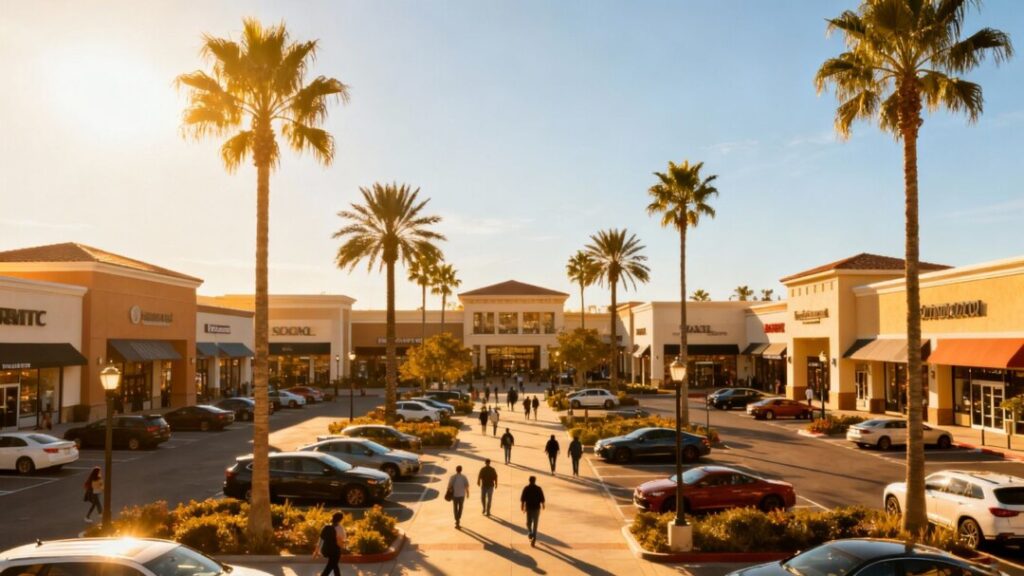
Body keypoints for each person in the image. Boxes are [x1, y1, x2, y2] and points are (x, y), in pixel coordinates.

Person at [312, 512, 346, 576]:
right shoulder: (340, 528)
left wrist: (316, 551)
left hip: (326, 550)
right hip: (335, 551)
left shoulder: (326, 527)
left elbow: (320, 540)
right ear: (340, 520)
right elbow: (343, 540)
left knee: (335, 566)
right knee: (329, 567)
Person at [520, 475, 546, 546]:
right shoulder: (538, 488)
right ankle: (533, 535)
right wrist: (543, 505)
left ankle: (531, 534)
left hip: (530, 508)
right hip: (535, 508)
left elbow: (523, 498)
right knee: (534, 523)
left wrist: (522, 506)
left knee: (529, 523)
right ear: (534, 481)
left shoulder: (527, 488)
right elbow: (542, 498)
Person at [446, 465, 470, 529]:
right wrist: (467, 493)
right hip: (462, 495)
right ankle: (458, 519)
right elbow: (467, 486)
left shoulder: (452, 477)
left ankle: (457, 520)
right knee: (461, 508)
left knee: (455, 508)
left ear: (456, 470)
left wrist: (451, 490)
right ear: (461, 470)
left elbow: (449, 486)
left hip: (455, 495)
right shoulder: (464, 477)